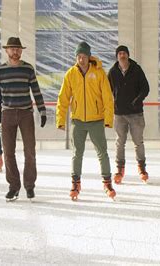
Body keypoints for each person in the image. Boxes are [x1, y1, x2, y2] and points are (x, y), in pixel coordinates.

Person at [0, 37, 46, 201]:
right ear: (7, 51)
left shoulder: (28, 69)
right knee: (8, 152)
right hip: (7, 114)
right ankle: (13, 186)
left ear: (21, 51)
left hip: (26, 113)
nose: (15, 51)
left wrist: (42, 111)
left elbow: (36, 91)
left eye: (18, 48)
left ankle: (29, 186)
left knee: (30, 151)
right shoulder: (0, 71)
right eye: (12, 49)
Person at [56, 41, 116, 201]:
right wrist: (60, 119)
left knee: (102, 152)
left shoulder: (99, 73)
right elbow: (63, 98)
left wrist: (108, 118)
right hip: (77, 121)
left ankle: (107, 182)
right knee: (77, 153)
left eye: (84, 56)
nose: (81, 59)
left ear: (89, 57)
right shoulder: (70, 74)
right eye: (78, 56)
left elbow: (107, 97)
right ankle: (75, 183)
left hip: (96, 120)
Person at [108, 45, 150, 184]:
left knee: (138, 142)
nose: (122, 55)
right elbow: (107, 91)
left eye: (124, 53)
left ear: (128, 55)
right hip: (119, 114)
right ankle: (120, 169)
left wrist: (137, 101)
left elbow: (145, 88)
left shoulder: (136, 70)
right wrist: (111, 105)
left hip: (136, 113)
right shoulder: (113, 72)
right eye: (119, 53)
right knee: (120, 143)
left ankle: (142, 168)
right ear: (117, 56)